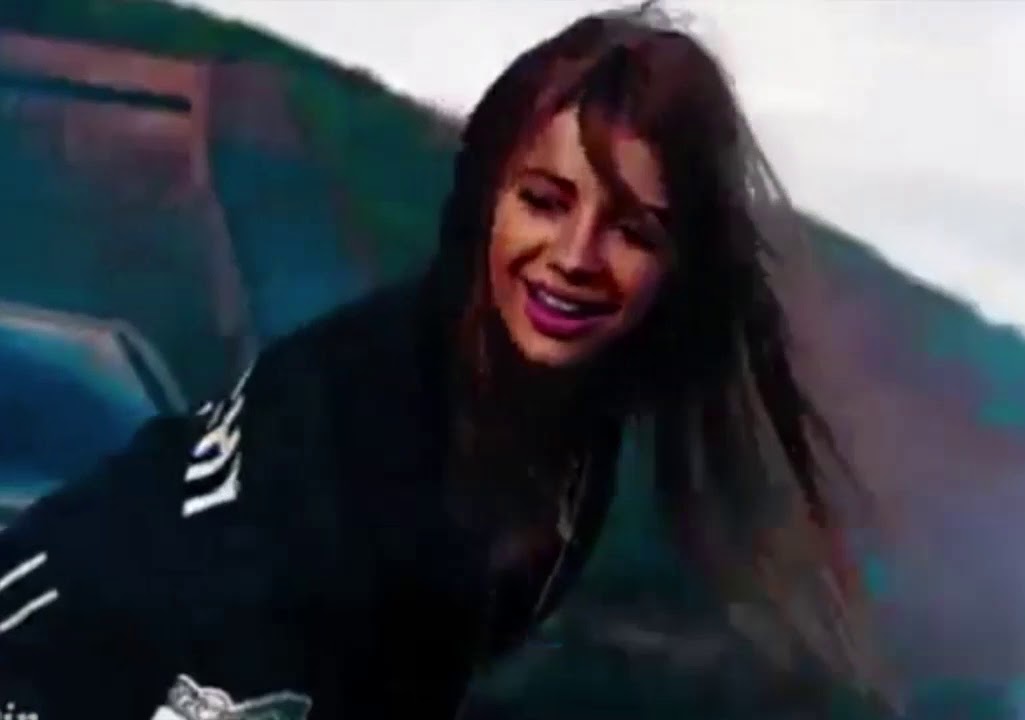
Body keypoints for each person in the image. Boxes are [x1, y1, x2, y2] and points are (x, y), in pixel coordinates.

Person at [0, 3, 889, 718]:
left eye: (632, 230)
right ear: (487, 200)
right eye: (544, 201)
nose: (575, 257)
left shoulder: (578, 430)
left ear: (680, 262)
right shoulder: (352, 436)